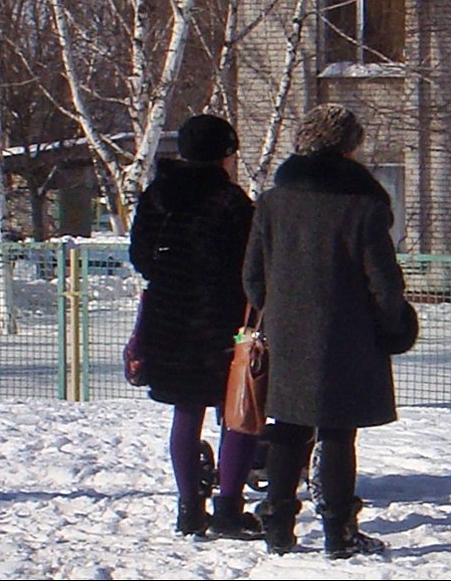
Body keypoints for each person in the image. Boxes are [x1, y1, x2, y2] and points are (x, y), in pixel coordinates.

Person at [242, 104, 410, 559]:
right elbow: (385, 283)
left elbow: (253, 276)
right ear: (348, 147)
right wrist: (393, 325)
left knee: (287, 428)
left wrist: (275, 312)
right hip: (348, 337)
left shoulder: (274, 201)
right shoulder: (364, 205)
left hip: (288, 334)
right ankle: (339, 532)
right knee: (337, 433)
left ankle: (278, 527)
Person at [128, 114, 262, 539]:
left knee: (186, 412)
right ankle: (228, 508)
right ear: (224, 155)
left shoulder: (157, 197)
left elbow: (141, 258)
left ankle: (188, 508)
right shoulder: (233, 201)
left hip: (169, 317)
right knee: (237, 412)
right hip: (225, 319)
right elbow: (250, 266)